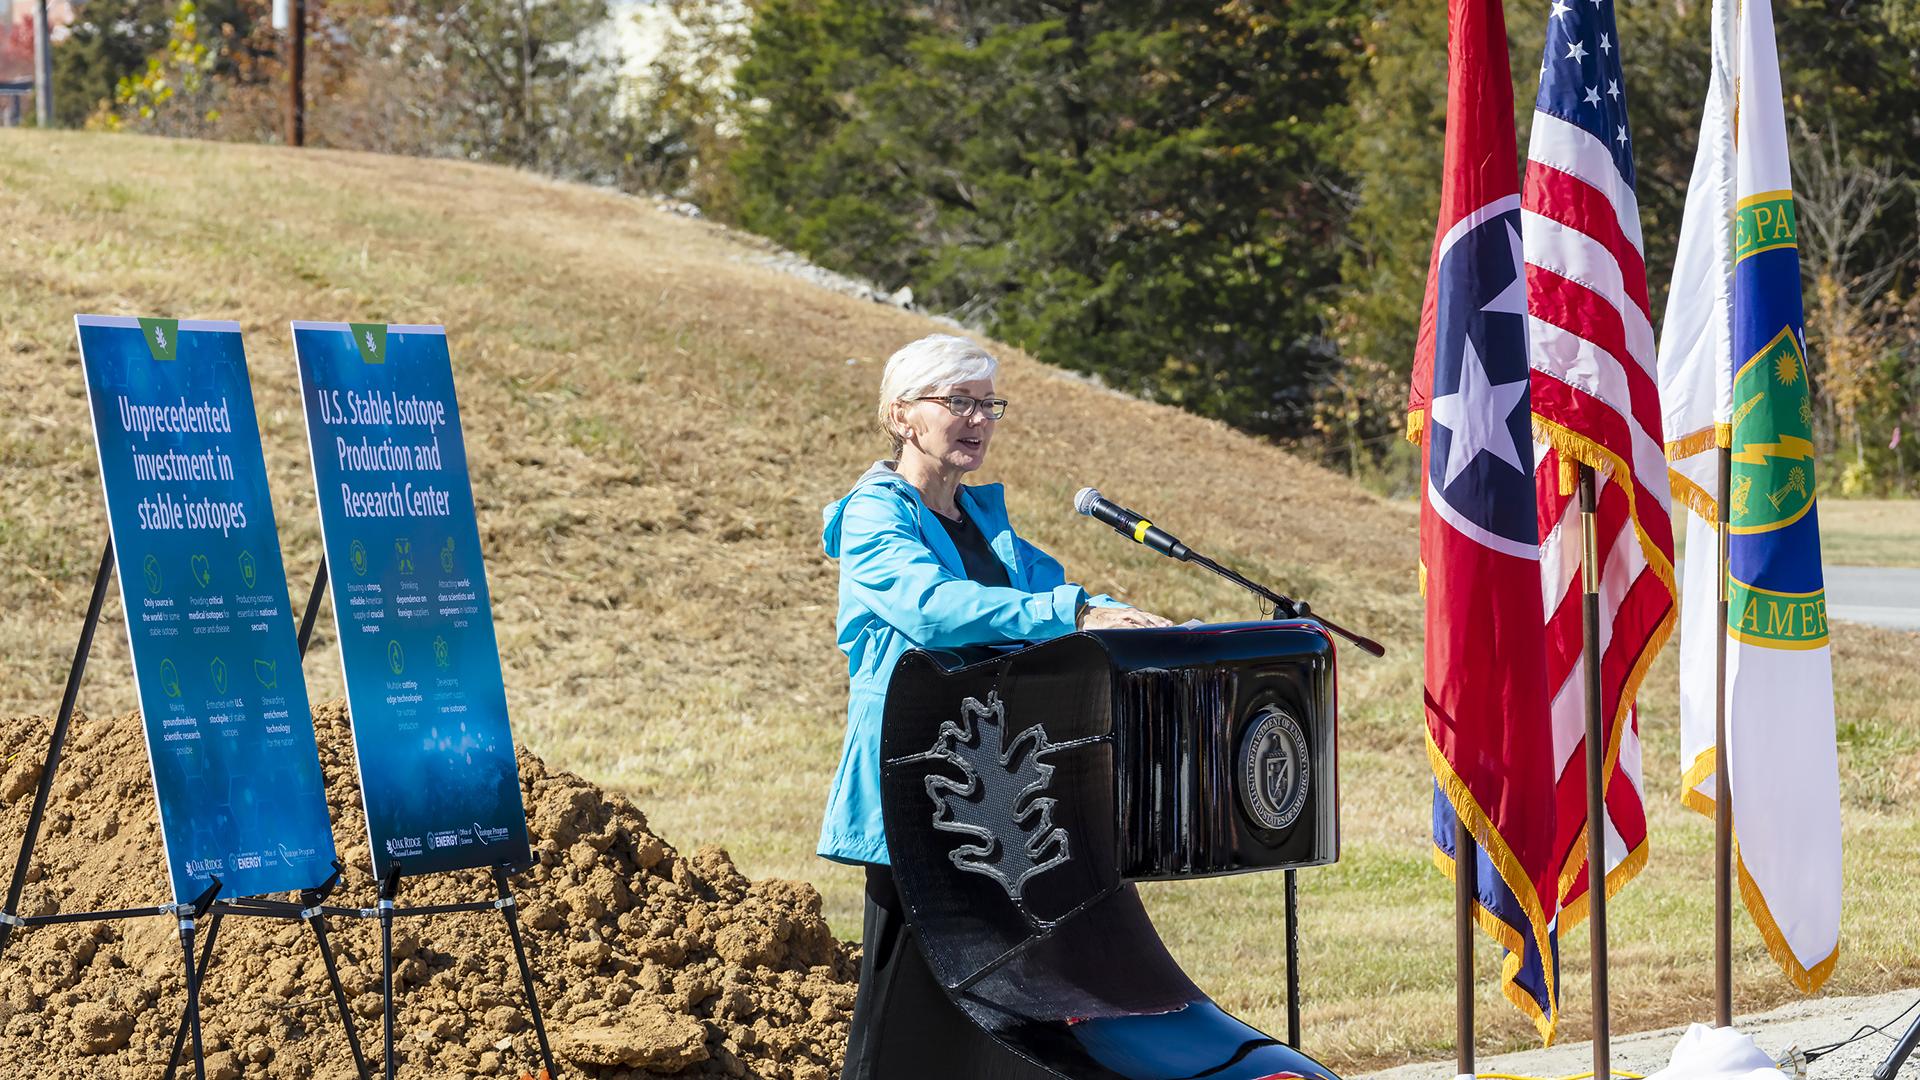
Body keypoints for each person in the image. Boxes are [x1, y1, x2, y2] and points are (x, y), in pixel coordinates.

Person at [819, 333, 1169, 1078]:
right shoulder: (874, 515)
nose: (977, 418)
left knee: (1006, 1007)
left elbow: (1045, 590)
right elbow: (936, 608)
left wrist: (1132, 617)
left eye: (988, 404)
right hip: (920, 785)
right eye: (958, 402)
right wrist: (1072, 612)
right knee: (908, 1011)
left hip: (1004, 792)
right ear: (902, 415)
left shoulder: (983, 522)